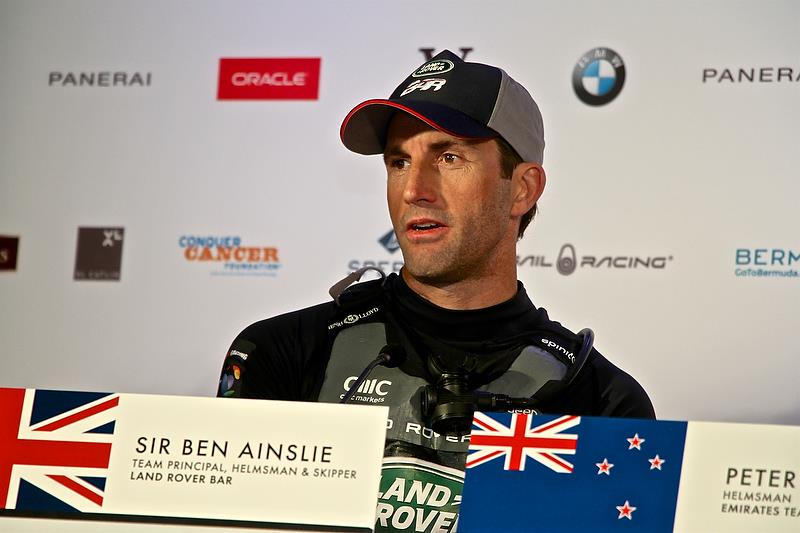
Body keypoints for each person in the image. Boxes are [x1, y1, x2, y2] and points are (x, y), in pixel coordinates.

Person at [218, 50, 654, 532]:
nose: (414, 189)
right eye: (399, 162)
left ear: (523, 189)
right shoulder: (281, 352)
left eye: (448, 157)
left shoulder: (602, 402)